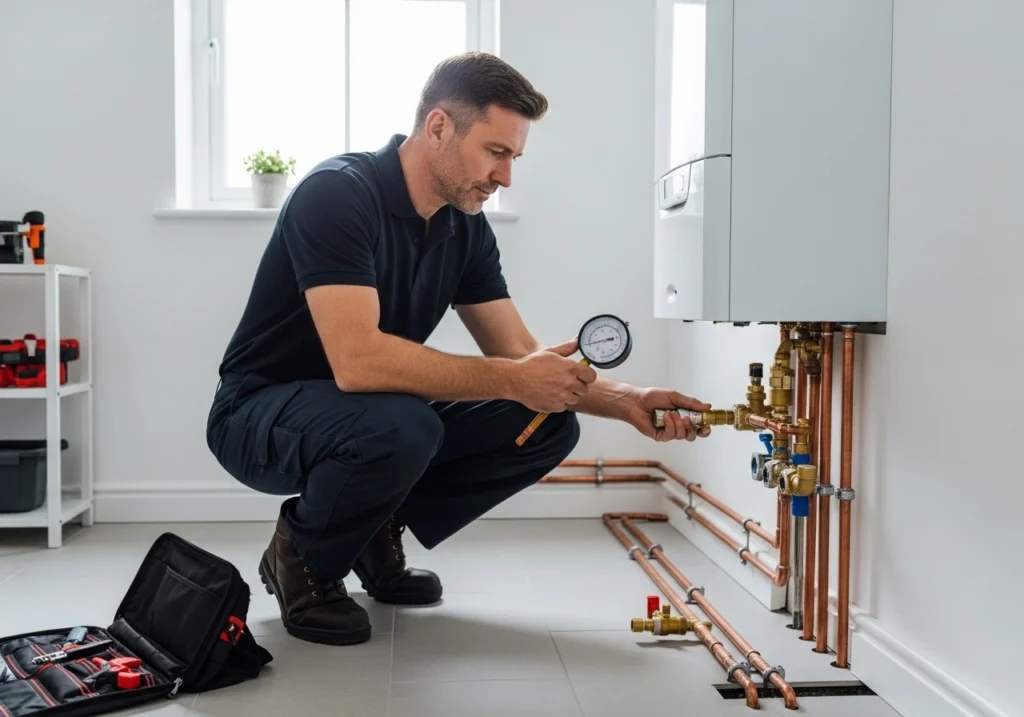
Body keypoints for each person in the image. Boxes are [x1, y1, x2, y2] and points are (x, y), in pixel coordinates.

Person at [205, 51, 711, 647]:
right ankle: (301, 557)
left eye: (514, 158)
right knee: (404, 425)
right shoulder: (337, 194)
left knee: (545, 422)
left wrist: (627, 401)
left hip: (366, 415)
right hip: (256, 414)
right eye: (496, 152)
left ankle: (369, 529)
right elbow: (358, 362)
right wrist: (515, 378)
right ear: (439, 127)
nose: (505, 177)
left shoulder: (463, 227)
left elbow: (519, 352)